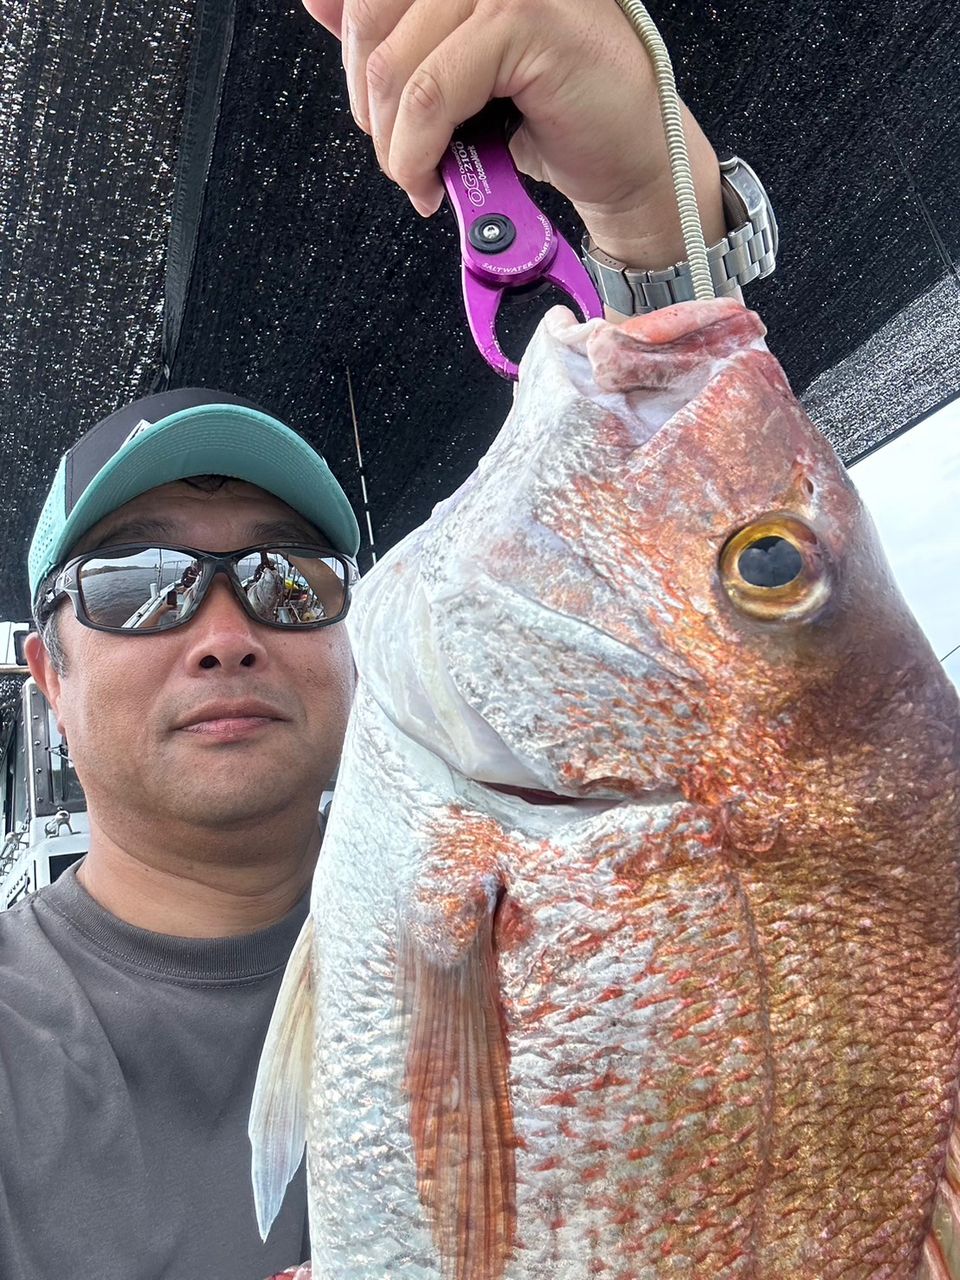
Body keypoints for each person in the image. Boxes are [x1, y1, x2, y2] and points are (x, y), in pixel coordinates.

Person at [0, 0, 744, 1275]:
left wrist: (648, 206)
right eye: (140, 583)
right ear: (47, 674)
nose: (225, 630)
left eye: (288, 580)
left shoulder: (580, 900)